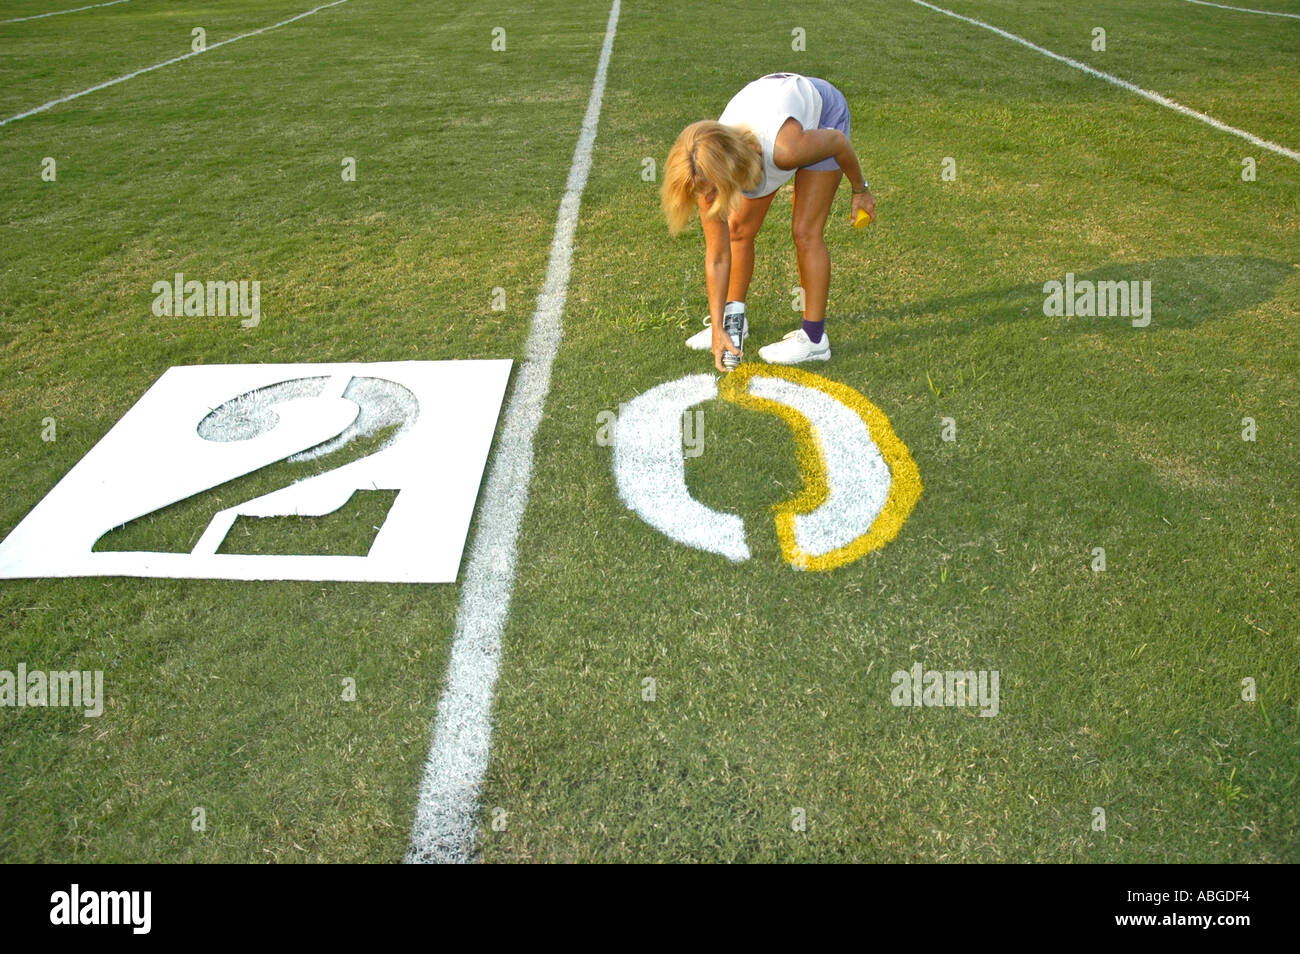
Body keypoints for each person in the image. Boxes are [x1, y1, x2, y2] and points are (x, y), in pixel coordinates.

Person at [662, 73, 874, 372]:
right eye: (701, 191)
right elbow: (718, 256)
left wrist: (859, 190)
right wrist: (717, 331)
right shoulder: (702, 167)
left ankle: (814, 341)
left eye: (711, 190)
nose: (706, 198)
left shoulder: (786, 150)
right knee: (738, 230)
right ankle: (734, 322)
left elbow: (838, 143)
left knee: (805, 233)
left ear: (730, 171)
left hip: (822, 117)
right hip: (772, 114)